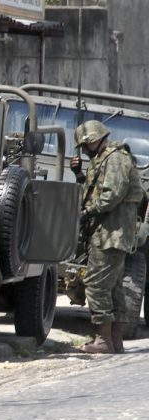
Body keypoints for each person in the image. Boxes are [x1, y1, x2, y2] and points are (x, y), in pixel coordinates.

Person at [70, 120, 144, 354]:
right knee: (113, 287)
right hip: (109, 233)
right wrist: (79, 174)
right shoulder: (105, 159)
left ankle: (103, 340)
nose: (83, 150)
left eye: (85, 145)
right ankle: (114, 341)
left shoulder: (115, 159)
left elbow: (111, 195)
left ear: (94, 140)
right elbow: (97, 190)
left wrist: (86, 212)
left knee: (96, 284)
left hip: (110, 234)